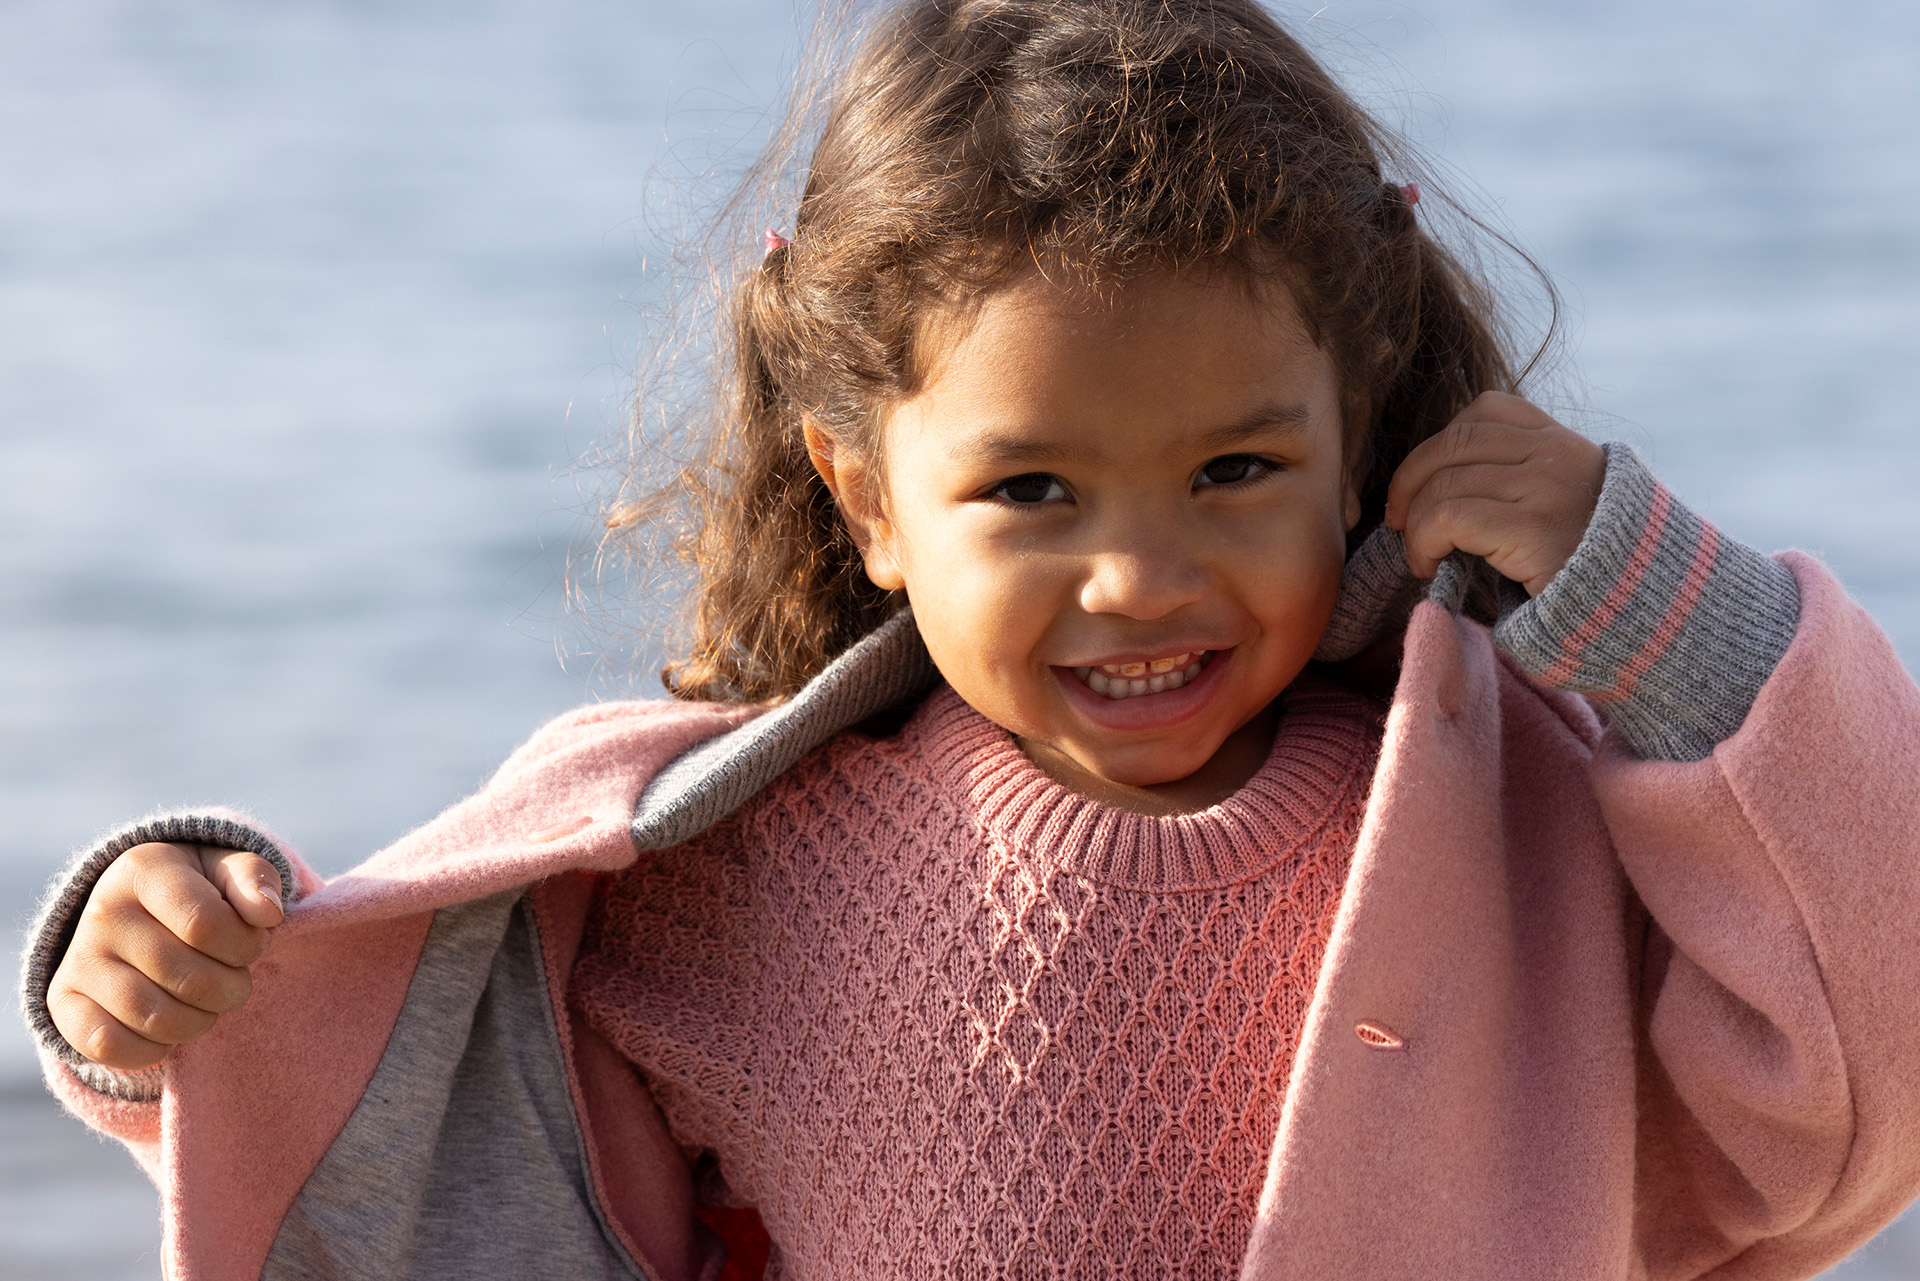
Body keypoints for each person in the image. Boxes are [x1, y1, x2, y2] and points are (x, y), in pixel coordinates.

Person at [19, 0, 1920, 1276]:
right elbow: (394, 1118)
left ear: (1363, 429)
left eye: (1238, 464)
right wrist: (168, 978)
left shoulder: (1512, 826)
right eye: (1032, 492)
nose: (1140, 575)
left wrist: (1667, 606)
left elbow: (1862, 1075)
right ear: (864, 494)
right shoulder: (743, 852)